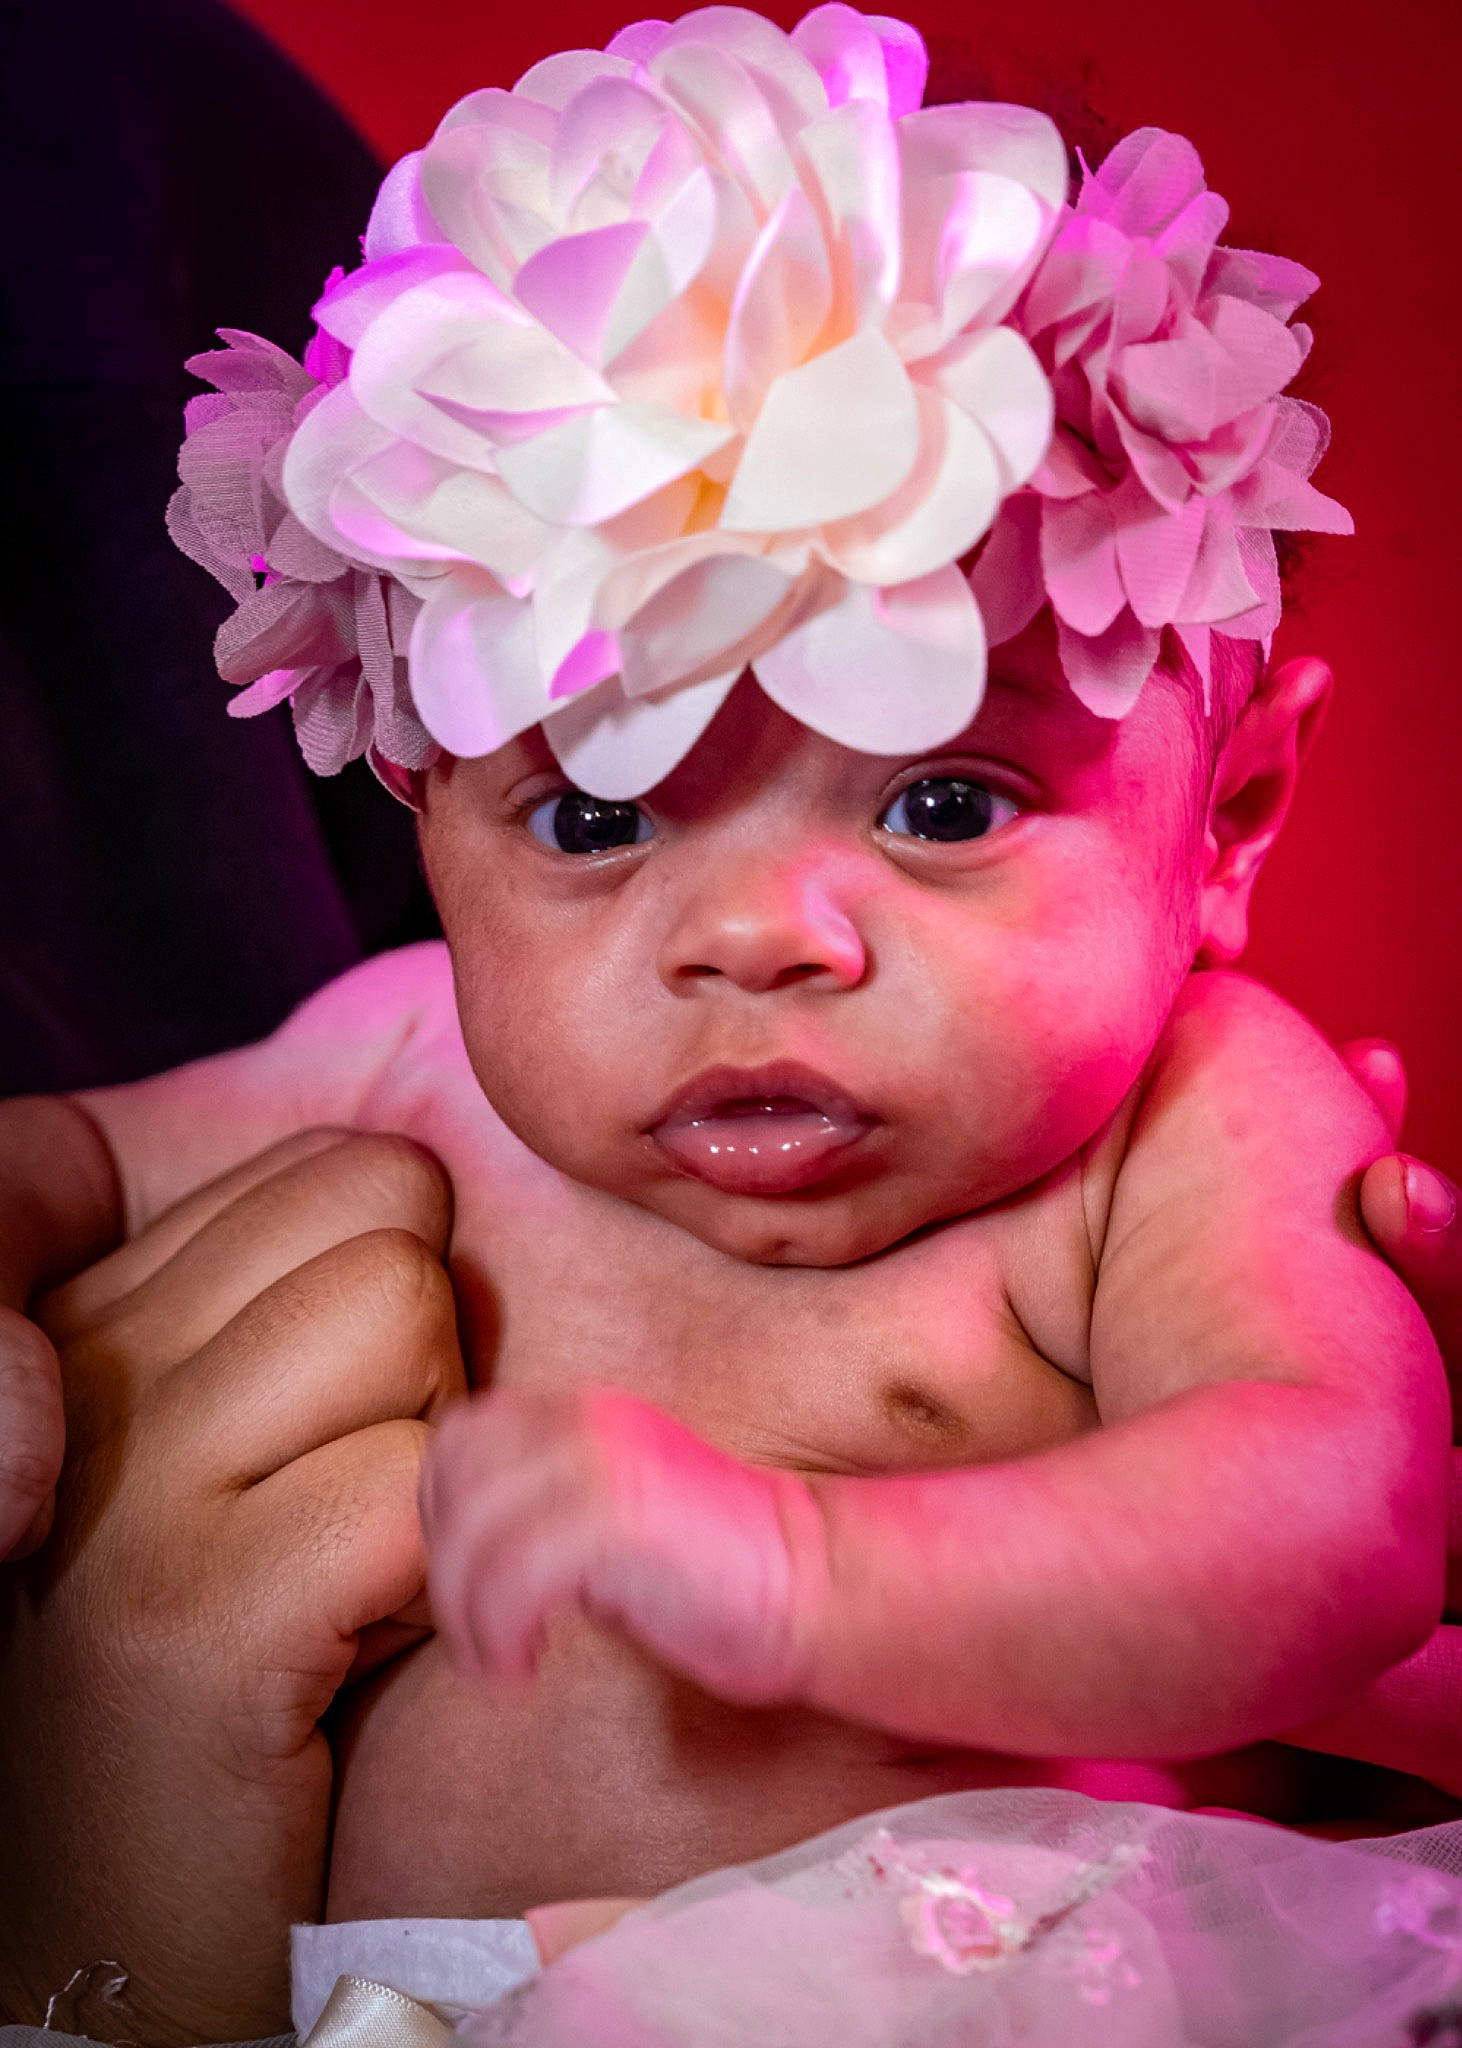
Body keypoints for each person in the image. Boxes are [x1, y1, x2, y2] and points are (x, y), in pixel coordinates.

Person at [1, 6, 1458, 2036]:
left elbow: (1340, 1511)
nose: (755, 936)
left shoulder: (1179, 1123)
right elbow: (58, 1148)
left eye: (941, 801)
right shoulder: (408, 1062)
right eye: (594, 815)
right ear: (424, 815)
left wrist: (799, 1575)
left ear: (1221, 822)